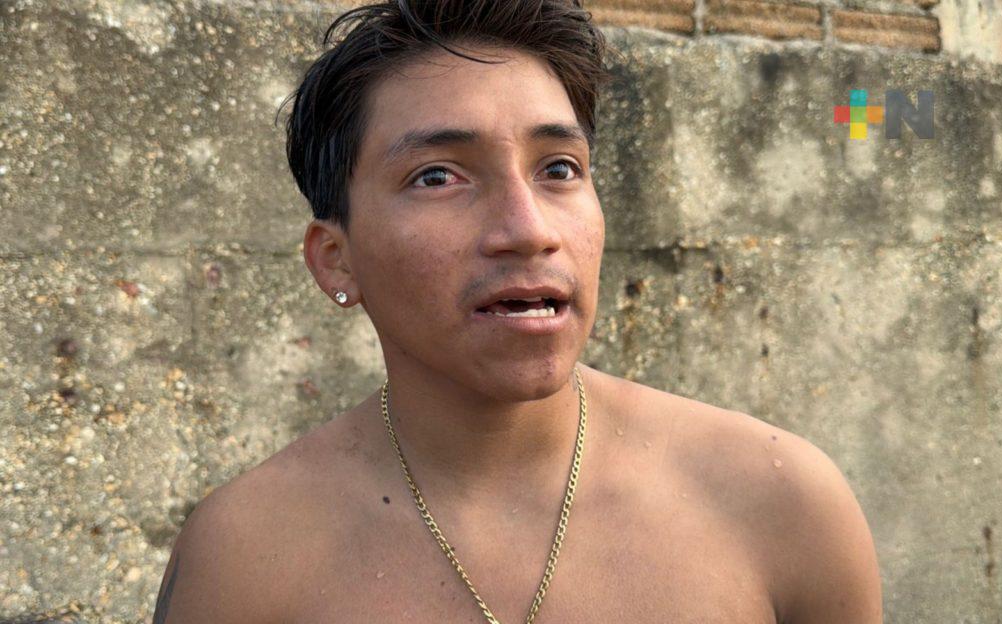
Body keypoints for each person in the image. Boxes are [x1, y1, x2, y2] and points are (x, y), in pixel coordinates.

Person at [153, 1, 883, 622]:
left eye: (558, 169)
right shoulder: (246, 560)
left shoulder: (780, 505)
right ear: (336, 259)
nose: (529, 229)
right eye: (438, 177)